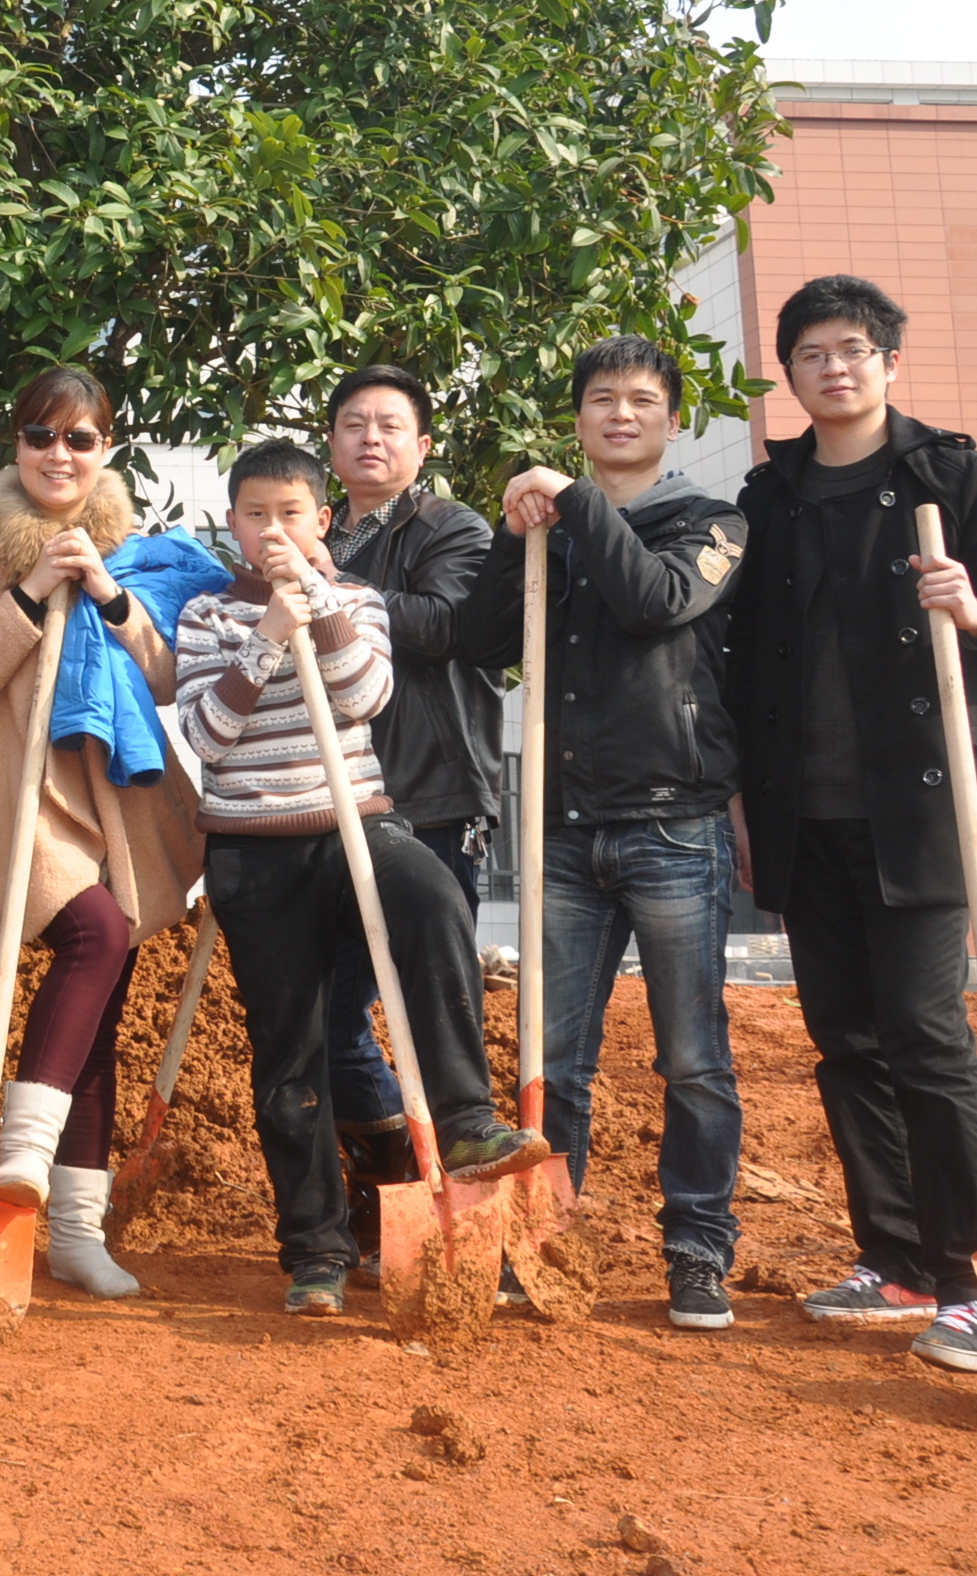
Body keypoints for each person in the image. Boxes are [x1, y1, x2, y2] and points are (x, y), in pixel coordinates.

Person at [723, 274, 977, 1374]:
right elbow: (742, 665)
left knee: (926, 1035)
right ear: (792, 373)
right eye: (812, 352)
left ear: (888, 363)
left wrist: (974, 609)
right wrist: (741, 804)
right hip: (804, 814)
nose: (835, 367)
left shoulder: (948, 474)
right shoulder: (770, 499)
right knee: (846, 1040)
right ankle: (898, 1258)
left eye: (854, 349)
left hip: (925, 805)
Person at [178, 439, 545, 1317]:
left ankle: (462, 1122)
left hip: (356, 824)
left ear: (323, 520)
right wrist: (267, 637)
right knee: (290, 1050)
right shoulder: (206, 614)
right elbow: (204, 735)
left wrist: (318, 606)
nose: (273, 530)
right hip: (253, 846)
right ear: (232, 525)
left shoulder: (359, 600)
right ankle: (315, 1248)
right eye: (256, 514)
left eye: (291, 514)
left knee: (430, 896)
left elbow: (364, 696)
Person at [452, 334, 749, 1334]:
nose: (621, 414)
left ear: (670, 420)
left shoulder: (710, 524)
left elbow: (656, 600)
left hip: (674, 826)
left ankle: (697, 1251)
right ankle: (540, 1244)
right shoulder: (553, 531)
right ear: (579, 418)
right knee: (553, 1058)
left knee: (693, 1060)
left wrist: (573, 504)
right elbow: (486, 643)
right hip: (565, 837)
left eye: (641, 400)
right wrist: (510, 534)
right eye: (602, 400)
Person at [0, 367, 206, 1299]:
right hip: (11, 789)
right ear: (16, 445)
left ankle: (74, 1231)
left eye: (80, 439)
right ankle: (22, 1156)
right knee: (98, 933)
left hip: (105, 787)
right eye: (41, 436)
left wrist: (109, 594)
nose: (59, 455)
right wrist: (33, 589)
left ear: (106, 450)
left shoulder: (139, 551)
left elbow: (164, 679)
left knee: (103, 1006)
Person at [317, 363, 504, 1267]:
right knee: (326, 1015)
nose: (371, 439)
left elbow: (446, 625)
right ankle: (394, 1174)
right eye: (353, 424)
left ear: (422, 445)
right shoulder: (313, 533)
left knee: (432, 1001)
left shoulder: (448, 527)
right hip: (327, 804)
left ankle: (477, 1221)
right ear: (331, 445)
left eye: (391, 425)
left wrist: (329, 593)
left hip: (428, 796)